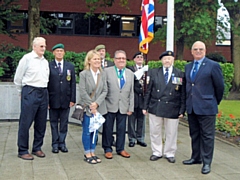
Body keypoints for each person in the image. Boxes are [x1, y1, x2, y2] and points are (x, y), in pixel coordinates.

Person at [182, 41, 224, 174]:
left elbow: (220, 87)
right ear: (192, 51)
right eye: (196, 49)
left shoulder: (213, 66)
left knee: (207, 136)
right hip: (192, 107)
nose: (198, 51)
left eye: (201, 49)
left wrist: (213, 101)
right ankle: (196, 157)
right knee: (194, 134)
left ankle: (206, 163)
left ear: (205, 51)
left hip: (207, 107)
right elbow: (188, 87)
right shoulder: (188, 67)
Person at [143, 50, 186, 163]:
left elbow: (183, 94)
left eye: (169, 59)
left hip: (173, 107)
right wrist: (145, 106)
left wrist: (182, 109)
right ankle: (156, 151)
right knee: (155, 130)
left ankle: (169, 152)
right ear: (161, 60)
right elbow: (148, 91)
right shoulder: (153, 72)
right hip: (155, 105)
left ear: (173, 60)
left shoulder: (180, 74)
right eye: (165, 59)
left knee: (171, 132)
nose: (167, 60)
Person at [14, 37, 49, 160]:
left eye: (44, 46)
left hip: (43, 92)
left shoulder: (45, 61)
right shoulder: (27, 59)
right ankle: (23, 150)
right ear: (34, 46)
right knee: (26, 122)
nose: (44, 48)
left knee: (41, 123)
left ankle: (37, 148)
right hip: (30, 91)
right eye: (41, 46)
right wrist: (22, 92)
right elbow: (18, 77)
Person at [102, 50, 134, 159]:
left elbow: (131, 92)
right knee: (107, 128)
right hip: (109, 105)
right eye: (119, 58)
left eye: (123, 58)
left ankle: (120, 148)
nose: (121, 60)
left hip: (124, 106)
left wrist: (131, 107)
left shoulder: (130, 73)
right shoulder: (106, 71)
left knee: (121, 129)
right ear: (114, 60)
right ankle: (107, 148)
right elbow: (103, 89)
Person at [79, 50, 108, 164]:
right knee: (87, 131)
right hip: (87, 107)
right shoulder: (84, 74)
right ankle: (87, 153)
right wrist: (91, 104)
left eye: (99, 59)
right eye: (95, 59)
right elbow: (82, 91)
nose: (97, 61)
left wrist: (97, 104)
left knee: (95, 130)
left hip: (98, 107)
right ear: (89, 60)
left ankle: (93, 151)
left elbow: (105, 90)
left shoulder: (102, 74)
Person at [48, 43, 76, 153]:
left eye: (61, 51)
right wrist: (47, 101)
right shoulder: (49, 66)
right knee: (53, 123)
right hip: (53, 99)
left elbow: (72, 83)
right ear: (53, 53)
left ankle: (62, 143)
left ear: (64, 53)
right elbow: (46, 84)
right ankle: (55, 144)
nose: (59, 53)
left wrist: (72, 99)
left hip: (66, 99)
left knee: (64, 123)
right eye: (57, 51)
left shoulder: (70, 66)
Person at [127, 52, 147, 147]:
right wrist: (142, 70)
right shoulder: (130, 69)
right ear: (134, 59)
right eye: (137, 57)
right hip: (133, 98)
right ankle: (132, 138)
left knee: (141, 120)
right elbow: (133, 78)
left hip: (143, 99)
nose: (140, 58)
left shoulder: (147, 70)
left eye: (141, 57)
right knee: (131, 120)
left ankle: (140, 138)